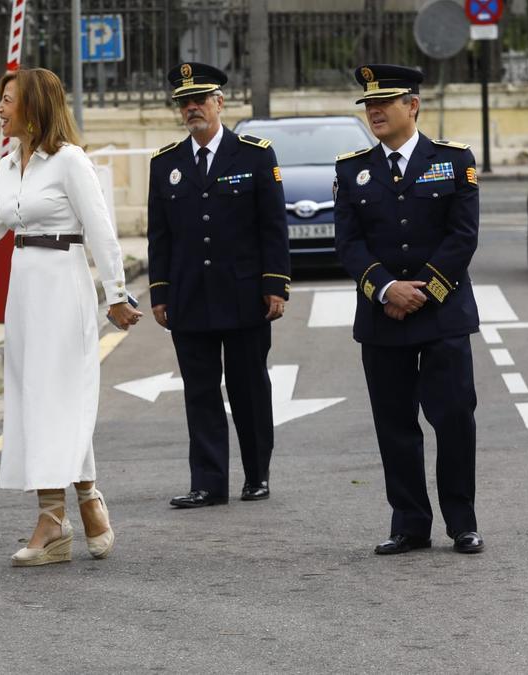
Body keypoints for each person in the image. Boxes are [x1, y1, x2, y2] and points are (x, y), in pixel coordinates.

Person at [0, 67, 140, 566]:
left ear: (34, 107)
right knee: (34, 401)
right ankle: (71, 508)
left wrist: (117, 295)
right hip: (26, 291)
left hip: (65, 285)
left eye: (7, 101)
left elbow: (101, 232)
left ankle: (62, 513)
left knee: (63, 400)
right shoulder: (8, 164)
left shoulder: (69, 162)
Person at [333, 64, 483, 555]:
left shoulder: (454, 160)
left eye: (385, 103)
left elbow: (462, 236)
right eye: (369, 105)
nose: (374, 111)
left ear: (412, 106)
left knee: (454, 417)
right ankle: (410, 523)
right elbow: (349, 243)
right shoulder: (351, 168)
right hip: (382, 317)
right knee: (395, 424)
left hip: (442, 315)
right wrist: (385, 288)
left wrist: (424, 292)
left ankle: (461, 521)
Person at [146, 62, 290, 509]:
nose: (192, 108)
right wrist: (160, 292)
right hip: (190, 296)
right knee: (200, 390)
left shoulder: (254, 155)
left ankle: (256, 475)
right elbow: (160, 235)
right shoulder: (166, 163)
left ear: (219, 102)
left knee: (249, 387)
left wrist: (275, 285)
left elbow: (273, 227)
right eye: (184, 103)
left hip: (244, 294)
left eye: (200, 100)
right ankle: (208, 481)